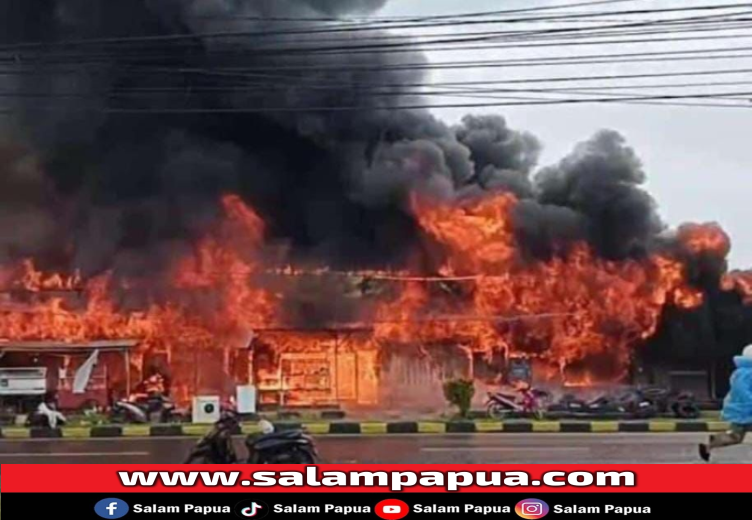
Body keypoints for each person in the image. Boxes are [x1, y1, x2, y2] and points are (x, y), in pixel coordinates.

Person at [699, 344, 752, 461]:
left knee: (735, 436)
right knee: (735, 436)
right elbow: (742, 390)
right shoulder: (747, 373)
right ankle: (713, 443)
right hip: (745, 410)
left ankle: (712, 444)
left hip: (742, 410)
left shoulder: (740, 372)